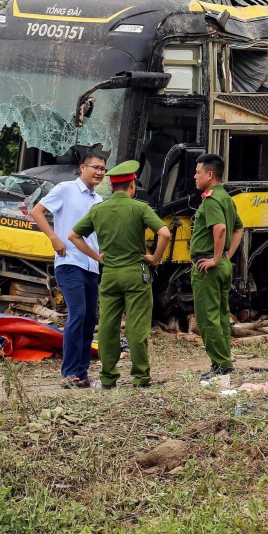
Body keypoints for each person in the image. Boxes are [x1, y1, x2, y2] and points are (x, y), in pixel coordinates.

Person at [68, 160, 171, 389]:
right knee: (137, 327)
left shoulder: (98, 210)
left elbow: (73, 236)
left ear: (112, 187)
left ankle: (108, 377)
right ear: (132, 184)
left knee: (107, 326)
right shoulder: (140, 208)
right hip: (136, 274)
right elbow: (164, 233)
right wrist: (155, 258)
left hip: (110, 275)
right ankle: (141, 377)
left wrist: (96, 257)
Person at [29, 148, 107, 388]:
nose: (99, 172)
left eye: (103, 169)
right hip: (68, 261)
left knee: (89, 319)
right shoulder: (65, 189)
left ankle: (82, 374)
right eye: (95, 167)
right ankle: (70, 372)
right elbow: (37, 211)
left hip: (91, 264)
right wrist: (53, 237)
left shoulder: (99, 200)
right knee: (78, 313)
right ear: (82, 168)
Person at [189, 153, 243, 381]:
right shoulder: (226, 198)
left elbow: (220, 229)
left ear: (210, 174)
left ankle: (220, 365)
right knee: (221, 315)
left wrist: (215, 258)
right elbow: (239, 228)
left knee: (206, 317)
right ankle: (225, 361)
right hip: (222, 266)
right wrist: (227, 256)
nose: (195, 176)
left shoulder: (210, 199)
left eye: (198, 172)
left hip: (208, 266)